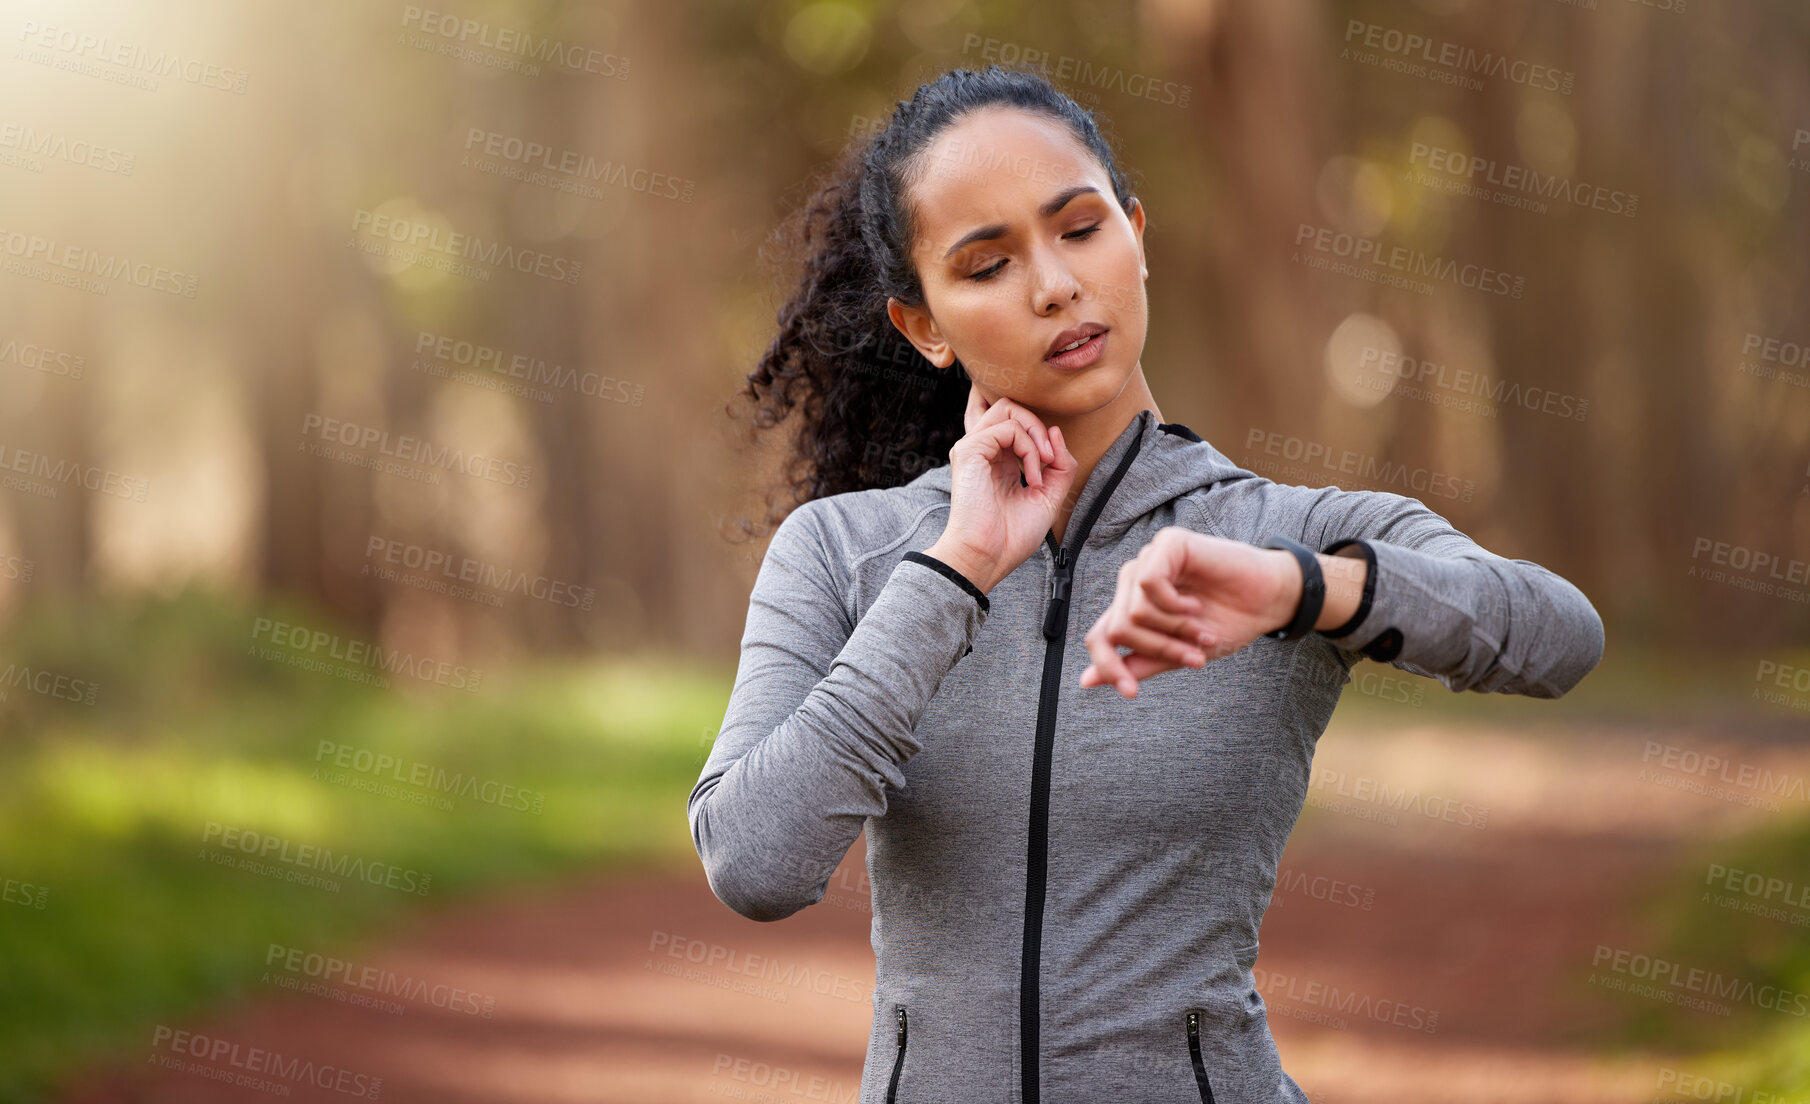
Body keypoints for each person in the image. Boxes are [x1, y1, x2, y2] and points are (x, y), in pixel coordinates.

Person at [689, 65, 1604, 1104]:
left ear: (1136, 234)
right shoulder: (842, 551)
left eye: (1078, 230)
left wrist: (1300, 592)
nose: (1054, 285)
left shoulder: (1281, 535)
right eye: (986, 264)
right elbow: (754, 863)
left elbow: (1557, 637)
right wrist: (955, 568)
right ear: (925, 326)